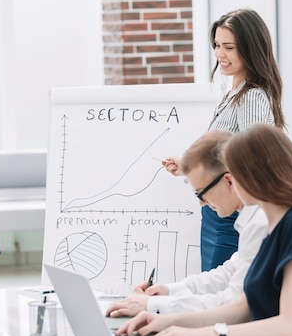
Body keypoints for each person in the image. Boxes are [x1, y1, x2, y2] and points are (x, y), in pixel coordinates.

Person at [117, 124, 292, 336]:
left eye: (235, 173)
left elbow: (291, 326)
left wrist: (208, 335)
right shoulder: (277, 225)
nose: (231, 181)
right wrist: (167, 320)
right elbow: (242, 308)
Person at [164, 8, 286, 271]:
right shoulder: (233, 94)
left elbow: (252, 160)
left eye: (229, 47)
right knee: (212, 286)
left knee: (221, 293)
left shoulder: (251, 96)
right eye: (217, 45)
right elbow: (224, 155)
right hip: (217, 212)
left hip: (229, 217)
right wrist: (187, 165)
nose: (220, 55)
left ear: (250, 49)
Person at [106, 130, 268, 317]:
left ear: (228, 181)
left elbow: (234, 302)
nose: (201, 202)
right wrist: (168, 291)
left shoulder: (261, 224)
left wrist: (154, 305)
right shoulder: (254, 218)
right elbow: (229, 273)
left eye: (200, 193)